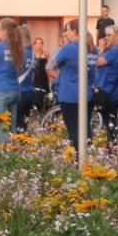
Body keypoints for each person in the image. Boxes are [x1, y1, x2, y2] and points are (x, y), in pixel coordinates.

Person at [0, 18, 30, 134]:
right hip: (14, 90)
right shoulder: (17, 47)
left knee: (0, 128)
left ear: (5, 31)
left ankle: (1, 151)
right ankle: (10, 150)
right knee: (11, 127)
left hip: (0, 90)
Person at [91, 24, 118, 141]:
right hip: (114, 89)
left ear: (117, 36)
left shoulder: (116, 49)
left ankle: (113, 147)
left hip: (108, 90)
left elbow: (97, 62)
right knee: (110, 121)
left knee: (110, 122)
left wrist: (100, 49)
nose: (106, 38)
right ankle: (112, 146)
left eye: (109, 35)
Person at [52, 19, 84, 148]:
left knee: (73, 128)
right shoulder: (88, 46)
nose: (65, 33)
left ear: (75, 31)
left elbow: (51, 64)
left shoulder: (68, 48)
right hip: (85, 93)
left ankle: (77, 158)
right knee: (83, 128)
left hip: (69, 93)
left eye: (67, 30)